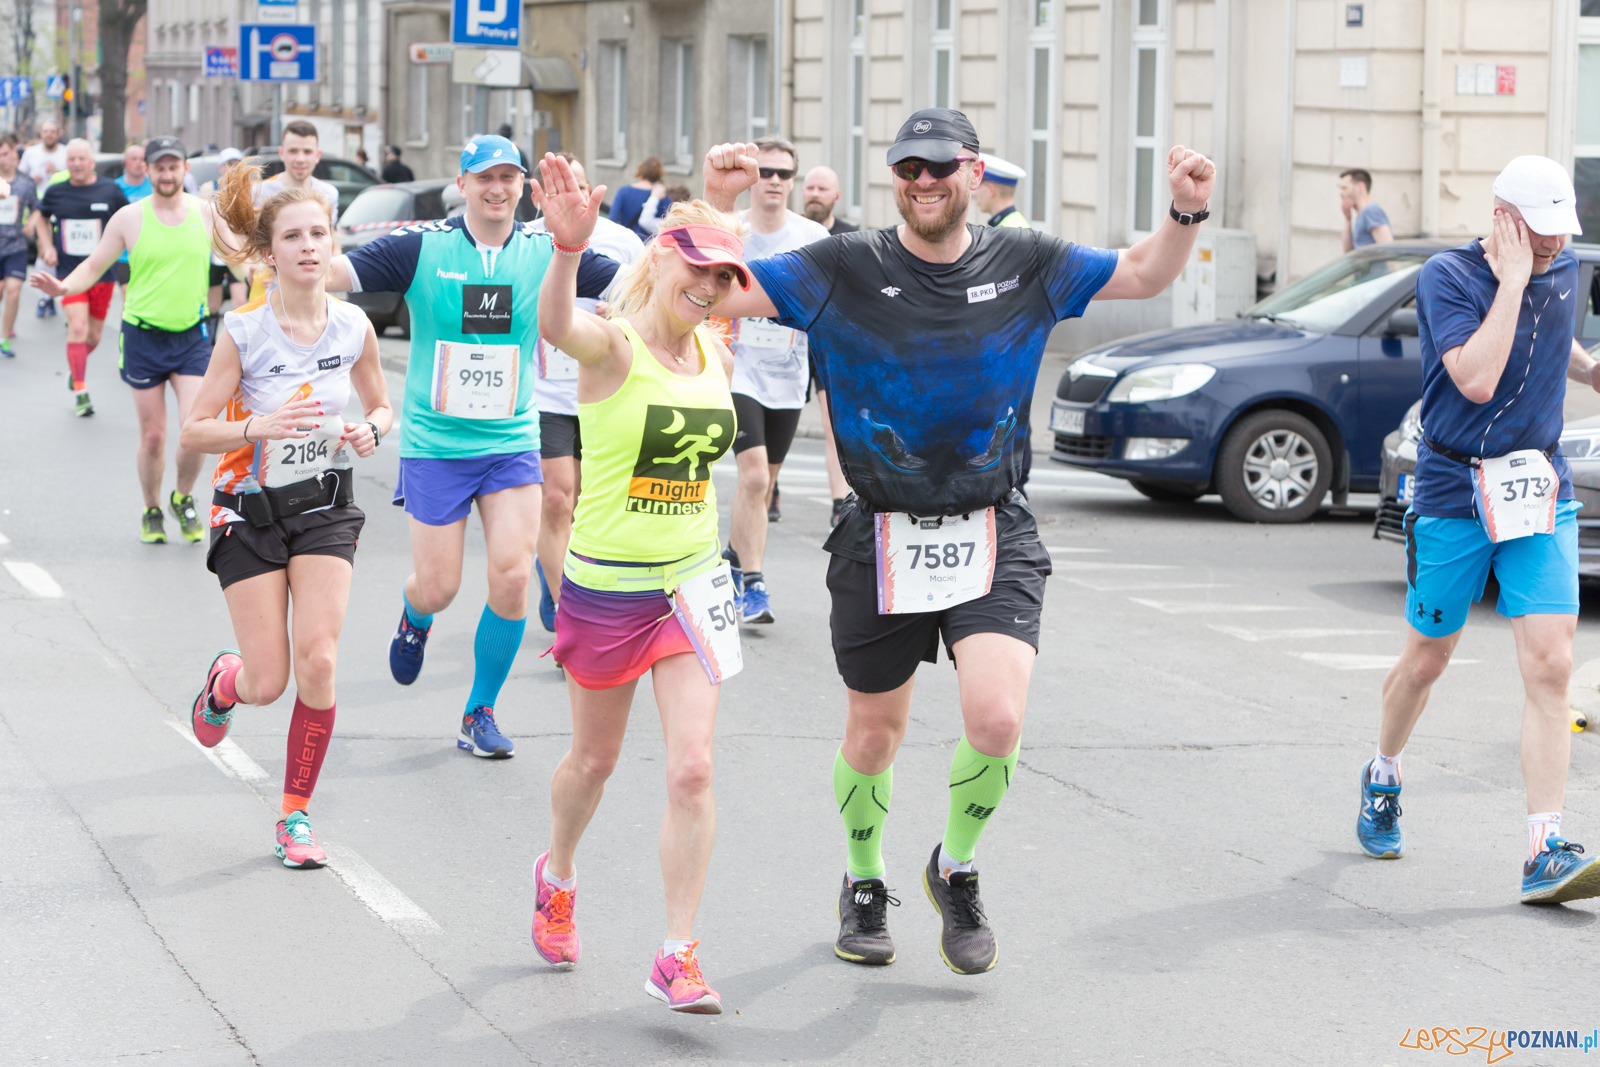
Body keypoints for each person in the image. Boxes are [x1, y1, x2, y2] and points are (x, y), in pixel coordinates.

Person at [702, 109, 1214, 973]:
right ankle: (864, 878)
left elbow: (1142, 272)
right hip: (881, 530)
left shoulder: (1029, 261)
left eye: (940, 167)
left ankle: (955, 864)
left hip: (990, 522)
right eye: (909, 166)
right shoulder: (843, 265)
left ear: (973, 173)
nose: (924, 181)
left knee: (999, 715)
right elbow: (714, 287)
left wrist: (1186, 210)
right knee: (874, 733)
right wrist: (715, 205)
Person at [323, 135, 620, 759]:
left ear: (523, 187)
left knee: (513, 576)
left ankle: (478, 711)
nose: (498, 188)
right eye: (485, 177)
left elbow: (633, 286)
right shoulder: (420, 245)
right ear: (461, 183)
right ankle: (415, 614)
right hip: (436, 444)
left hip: (511, 439)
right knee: (439, 587)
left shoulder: (546, 249)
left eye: (509, 177)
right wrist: (279, 245)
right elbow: (331, 272)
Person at [530, 153, 744, 1015]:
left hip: (692, 584)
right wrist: (567, 251)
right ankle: (558, 870)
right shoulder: (611, 348)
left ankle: (676, 951)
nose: (712, 285)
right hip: (608, 586)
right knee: (596, 759)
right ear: (659, 260)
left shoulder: (717, 347)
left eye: (725, 276)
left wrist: (726, 218)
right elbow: (556, 326)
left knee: (693, 768)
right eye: (699, 267)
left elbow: (720, 266)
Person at [1357, 155, 1600, 905]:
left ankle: (1543, 847)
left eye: (1564, 232)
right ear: (1503, 217)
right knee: (1427, 660)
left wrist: (1590, 372)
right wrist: (1515, 280)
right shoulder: (1449, 278)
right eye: (1542, 231)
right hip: (1454, 489)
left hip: (1538, 487)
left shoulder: (1559, 267)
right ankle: (1384, 771)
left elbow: (1552, 334)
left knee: (1553, 666)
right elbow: (1478, 378)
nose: (1555, 245)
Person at [179, 162, 392, 870]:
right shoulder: (245, 332)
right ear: (268, 254)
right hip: (249, 510)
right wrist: (260, 426)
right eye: (294, 236)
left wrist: (372, 430)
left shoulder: (355, 324)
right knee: (268, 682)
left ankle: (294, 814)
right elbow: (193, 429)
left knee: (321, 660)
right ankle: (226, 682)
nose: (309, 246)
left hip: (326, 504)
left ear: (332, 246)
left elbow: (379, 404)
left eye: (320, 234)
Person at [30, 136, 219, 545]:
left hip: (192, 335)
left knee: (194, 428)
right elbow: (96, 264)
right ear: (146, 171)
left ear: (185, 169)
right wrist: (63, 287)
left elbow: (242, 259)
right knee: (153, 435)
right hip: (142, 335)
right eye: (159, 167)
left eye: (174, 166)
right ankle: (152, 507)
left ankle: (182, 498)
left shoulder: (206, 213)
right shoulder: (129, 218)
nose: (166, 174)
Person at [529, 152, 644, 633]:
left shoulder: (623, 242)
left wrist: (614, 321)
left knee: (594, 502)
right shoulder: (527, 242)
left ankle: (576, 579)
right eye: (558, 187)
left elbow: (645, 306)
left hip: (605, 389)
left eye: (577, 184)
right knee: (558, 499)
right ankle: (568, 613)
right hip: (547, 390)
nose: (569, 195)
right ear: (542, 195)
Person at [719, 136, 829, 625]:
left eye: (785, 174)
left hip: (789, 373)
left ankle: (729, 559)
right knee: (755, 475)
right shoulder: (732, 231)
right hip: (737, 368)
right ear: (751, 177)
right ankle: (755, 586)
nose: (775, 182)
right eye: (765, 172)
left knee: (761, 490)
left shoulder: (813, 239)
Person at [29, 138, 128, 418]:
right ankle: (81, 391)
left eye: (81, 158)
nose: (76, 164)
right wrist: (46, 246)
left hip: (103, 273)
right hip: (69, 275)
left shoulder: (111, 190)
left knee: (94, 335)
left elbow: (128, 219)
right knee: (78, 326)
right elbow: (41, 217)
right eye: (71, 159)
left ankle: (76, 370)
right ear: (67, 163)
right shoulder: (56, 191)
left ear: (91, 161)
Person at [21, 121, 65, 319]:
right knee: (43, 251)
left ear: (58, 134)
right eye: (45, 131)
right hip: (39, 208)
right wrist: (34, 180)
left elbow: (74, 177)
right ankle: (43, 297)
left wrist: (56, 173)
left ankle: (52, 296)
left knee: (58, 254)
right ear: (41, 133)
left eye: (52, 131)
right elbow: (21, 177)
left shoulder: (65, 153)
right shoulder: (31, 153)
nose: (48, 135)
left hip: (62, 207)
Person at [0, 134, 38, 358]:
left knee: (13, 290)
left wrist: (31, 223)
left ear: (14, 152)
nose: (2, 160)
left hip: (16, 246)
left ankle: (4, 337)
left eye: (5, 154)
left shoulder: (25, 182)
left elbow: (36, 208)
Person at [200, 149, 250, 315]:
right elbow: (204, 218)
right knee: (213, 304)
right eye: (229, 164)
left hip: (238, 249)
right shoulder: (209, 188)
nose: (233, 168)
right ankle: (211, 341)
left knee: (240, 301)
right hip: (215, 252)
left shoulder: (249, 188)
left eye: (237, 164)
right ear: (220, 167)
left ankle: (239, 339)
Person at [113, 142, 153, 289]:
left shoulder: (155, 186)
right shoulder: (115, 188)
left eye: (142, 159)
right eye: (134, 159)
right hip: (124, 254)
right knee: (127, 295)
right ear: (125, 163)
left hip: (150, 251)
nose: (138, 163)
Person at [610, 156, 667, 239]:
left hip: (627, 241)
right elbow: (669, 222)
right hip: (649, 245)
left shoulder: (623, 191)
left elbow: (612, 219)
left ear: (639, 172)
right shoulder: (661, 195)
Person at [1340, 168, 1393, 251]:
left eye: (1344, 188)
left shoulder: (1371, 211)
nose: (1341, 193)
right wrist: (1347, 219)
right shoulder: (1362, 214)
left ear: (1360, 187)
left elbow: (1389, 250)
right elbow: (1348, 253)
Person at [801, 165, 858, 236]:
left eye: (822, 189)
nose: (815, 194)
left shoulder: (850, 237)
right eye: (810, 188)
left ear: (837, 196)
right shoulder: (789, 231)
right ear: (803, 192)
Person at [975, 154, 1028, 228]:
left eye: (978, 187)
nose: (975, 193)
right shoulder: (1013, 224)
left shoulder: (1009, 230)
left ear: (990, 190)